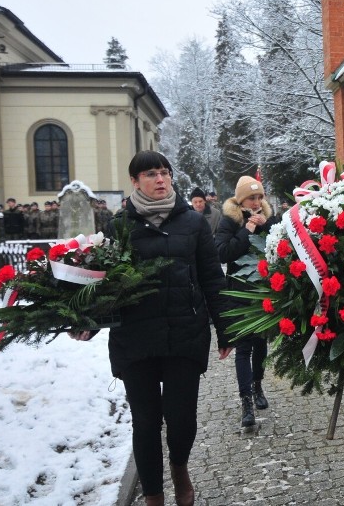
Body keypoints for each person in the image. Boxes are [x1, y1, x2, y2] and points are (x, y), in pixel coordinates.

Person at [69, 151, 234, 506]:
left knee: (181, 419)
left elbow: (211, 278)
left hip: (184, 332)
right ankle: (154, 497)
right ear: (134, 182)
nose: (160, 179)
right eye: (150, 174)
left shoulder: (193, 223)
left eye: (164, 172)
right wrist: (87, 323)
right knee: (145, 421)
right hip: (135, 336)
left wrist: (226, 328)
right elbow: (106, 284)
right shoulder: (118, 227)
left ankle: (179, 467)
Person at [214, 176, 273, 428]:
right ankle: (246, 400)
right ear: (240, 200)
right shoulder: (229, 221)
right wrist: (247, 229)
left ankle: (258, 386)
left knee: (260, 344)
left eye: (260, 197)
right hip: (239, 292)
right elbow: (223, 253)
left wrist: (266, 228)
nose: (257, 202)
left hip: (263, 290)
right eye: (252, 197)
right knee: (243, 347)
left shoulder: (269, 219)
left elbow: (281, 248)